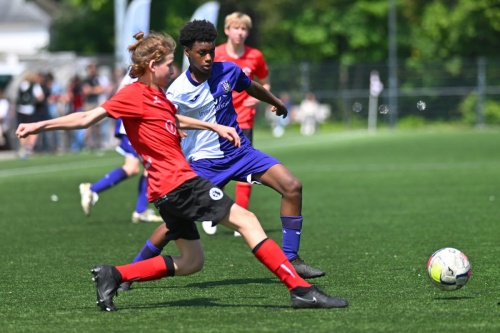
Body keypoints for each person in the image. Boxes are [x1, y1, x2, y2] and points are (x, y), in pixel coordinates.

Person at [16, 27, 348, 312]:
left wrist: (214, 127)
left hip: (166, 190)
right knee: (247, 221)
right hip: (180, 184)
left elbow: (174, 118)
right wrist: (39, 125)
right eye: (167, 64)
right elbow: (85, 117)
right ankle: (301, 292)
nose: (173, 69)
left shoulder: (158, 96)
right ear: (151, 65)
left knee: (192, 262)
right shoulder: (131, 95)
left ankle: (115, 275)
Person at [120, 19, 325, 287]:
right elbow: (164, 121)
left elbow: (250, 85)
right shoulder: (177, 91)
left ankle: (292, 258)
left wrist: (276, 102)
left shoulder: (228, 70)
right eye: (201, 53)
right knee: (175, 227)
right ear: (187, 52)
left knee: (292, 186)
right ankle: (130, 272)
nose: (207, 58)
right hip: (205, 164)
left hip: (241, 153)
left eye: (211, 51)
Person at [199, 12, 270, 236]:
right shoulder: (216, 54)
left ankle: (241, 216)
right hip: (217, 122)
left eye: (244, 29)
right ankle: (212, 212)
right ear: (227, 30)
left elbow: (264, 83)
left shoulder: (255, 56)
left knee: (245, 168)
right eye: (235, 28)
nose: (240, 32)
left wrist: (258, 96)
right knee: (216, 167)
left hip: (244, 121)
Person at [78, 116, 163, 223]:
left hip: (133, 122)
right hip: (134, 123)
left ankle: (92, 190)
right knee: (151, 166)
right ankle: (141, 211)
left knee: (133, 168)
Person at [15, 72, 45, 159]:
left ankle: (23, 148)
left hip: (20, 110)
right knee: (33, 129)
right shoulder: (34, 86)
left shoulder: (21, 85)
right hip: (30, 110)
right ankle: (29, 147)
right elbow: (40, 97)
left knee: (22, 129)